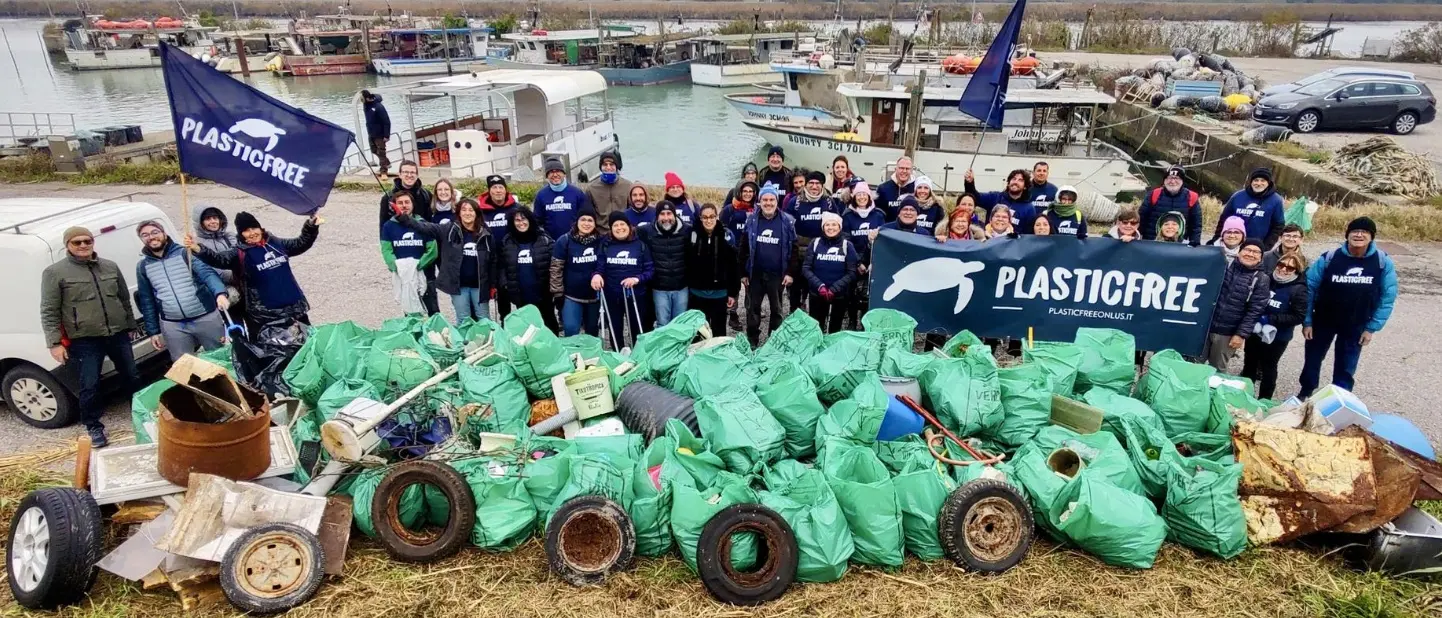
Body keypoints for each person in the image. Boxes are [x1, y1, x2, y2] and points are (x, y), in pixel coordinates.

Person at [41, 226, 140, 446]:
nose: (83, 245)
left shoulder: (110, 266)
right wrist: (54, 342)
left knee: (132, 376)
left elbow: (123, 299)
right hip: (85, 340)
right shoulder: (55, 273)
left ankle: (141, 414)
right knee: (90, 384)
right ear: (67, 245)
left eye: (87, 241)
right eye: (77, 242)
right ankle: (94, 426)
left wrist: (130, 325)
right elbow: (49, 310)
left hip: (117, 334)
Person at [1298, 217, 1397, 397]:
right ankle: (1306, 391)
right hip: (1323, 320)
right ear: (1347, 235)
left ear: (1371, 237)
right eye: (1354, 231)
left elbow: (1387, 296)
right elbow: (1309, 288)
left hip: (1356, 324)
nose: (1359, 235)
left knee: (1346, 365)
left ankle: (1339, 398)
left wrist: (1372, 328)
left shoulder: (1382, 262)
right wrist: (1307, 320)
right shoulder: (1330, 258)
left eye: (1364, 232)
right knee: (1312, 359)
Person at [187, 211, 320, 331]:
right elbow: (218, 259)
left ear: (260, 228)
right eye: (246, 230)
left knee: (308, 344)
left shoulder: (275, 243)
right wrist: (197, 248)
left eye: (254, 228)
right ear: (241, 234)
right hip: (266, 315)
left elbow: (300, 243)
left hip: (295, 306)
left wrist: (311, 226)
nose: (252, 233)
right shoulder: (239, 253)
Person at [134, 221, 229, 361]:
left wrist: (220, 293)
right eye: (145, 235)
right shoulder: (142, 266)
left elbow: (207, 274)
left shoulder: (186, 253)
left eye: (155, 232)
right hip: (174, 326)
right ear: (141, 239)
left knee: (222, 358)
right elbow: (146, 300)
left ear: (164, 234)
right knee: (184, 366)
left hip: (205, 317)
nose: (151, 237)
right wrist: (153, 331)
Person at [396, 198, 495, 325]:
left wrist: (492, 284)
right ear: (459, 213)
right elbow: (425, 227)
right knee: (463, 319)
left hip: (480, 286)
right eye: (464, 210)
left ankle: (487, 343)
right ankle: (464, 344)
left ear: (476, 213)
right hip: (458, 286)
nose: (467, 213)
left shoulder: (486, 234)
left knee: (484, 319)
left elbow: (493, 261)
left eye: (471, 210)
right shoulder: (448, 229)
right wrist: (404, 218)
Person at [738, 184, 798, 347]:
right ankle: (752, 341)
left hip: (777, 274)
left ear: (776, 201)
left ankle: (773, 342)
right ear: (759, 201)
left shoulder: (787, 221)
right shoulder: (751, 220)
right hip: (755, 273)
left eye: (772, 199)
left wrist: (790, 273)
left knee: (777, 309)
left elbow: (794, 248)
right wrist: (743, 273)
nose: (768, 203)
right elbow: (743, 247)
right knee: (753, 309)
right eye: (765, 199)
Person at [1242, 253, 1308, 399]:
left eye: (1290, 268)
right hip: (1255, 330)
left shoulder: (1299, 289)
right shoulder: (1266, 279)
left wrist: (1272, 319)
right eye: (1281, 265)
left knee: (1268, 368)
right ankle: (1244, 396)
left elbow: (1298, 316)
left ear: (1297, 271)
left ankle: (1264, 400)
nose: (1283, 269)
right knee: (1249, 364)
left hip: (1276, 336)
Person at [378, 161, 438, 315]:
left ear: (417, 174)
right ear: (400, 174)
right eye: (406, 172)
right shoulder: (388, 198)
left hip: (423, 255)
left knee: (430, 299)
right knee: (409, 303)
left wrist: (428, 257)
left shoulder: (425, 195)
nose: (409, 175)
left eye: (412, 172)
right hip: (402, 258)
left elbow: (431, 225)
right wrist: (392, 262)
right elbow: (383, 230)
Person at [1205, 239, 1269, 372]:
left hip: (1228, 333)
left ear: (1261, 257)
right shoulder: (1223, 267)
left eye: (1256, 252)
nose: (1250, 254)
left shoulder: (1261, 279)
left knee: (1217, 370)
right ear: (1239, 252)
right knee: (1193, 364)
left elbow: (1255, 311)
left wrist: (1241, 335)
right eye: (1247, 250)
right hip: (1205, 327)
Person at [593, 212, 654, 348]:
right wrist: (596, 275)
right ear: (611, 228)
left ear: (629, 226)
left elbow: (650, 271)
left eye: (622, 224)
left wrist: (637, 279)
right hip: (612, 296)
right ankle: (618, 355)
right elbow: (600, 267)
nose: (619, 228)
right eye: (615, 225)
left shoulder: (640, 245)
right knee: (615, 329)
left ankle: (637, 355)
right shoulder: (606, 245)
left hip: (635, 295)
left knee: (636, 328)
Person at [787, 170, 841, 314]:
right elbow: (787, 226)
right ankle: (794, 312)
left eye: (817, 183)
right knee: (796, 284)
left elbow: (836, 226)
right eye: (811, 183)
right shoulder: (795, 202)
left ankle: (814, 315)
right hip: (799, 248)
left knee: (814, 284)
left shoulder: (829, 202)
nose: (814, 186)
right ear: (806, 184)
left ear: (822, 185)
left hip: (820, 248)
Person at [686, 204, 741, 336]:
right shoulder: (692, 236)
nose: (708, 220)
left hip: (719, 294)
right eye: (705, 217)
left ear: (716, 217)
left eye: (711, 216)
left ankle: (717, 355)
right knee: (699, 333)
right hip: (697, 293)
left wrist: (733, 293)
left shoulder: (726, 236)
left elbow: (734, 267)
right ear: (700, 218)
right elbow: (686, 263)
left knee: (718, 331)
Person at [501, 207, 558, 333]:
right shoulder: (507, 241)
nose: (521, 223)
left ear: (530, 220)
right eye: (517, 220)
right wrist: (505, 284)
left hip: (543, 293)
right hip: (520, 294)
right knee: (528, 328)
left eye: (524, 219)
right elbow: (502, 266)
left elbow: (555, 264)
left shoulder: (544, 239)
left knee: (548, 323)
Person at [802, 212, 859, 334]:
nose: (831, 228)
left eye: (834, 225)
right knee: (816, 327)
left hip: (839, 295)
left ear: (840, 227)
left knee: (835, 327)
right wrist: (820, 286)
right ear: (823, 227)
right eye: (827, 225)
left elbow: (852, 272)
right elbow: (806, 268)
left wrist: (835, 288)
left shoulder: (847, 246)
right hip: (817, 293)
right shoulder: (815, 243)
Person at [551, 209, 604, 337]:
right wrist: (558, 293)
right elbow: (556, 269)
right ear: (576, 222)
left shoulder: (602, 241)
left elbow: (605, 265)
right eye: (583, 220)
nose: (586, 223)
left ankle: (591, 355)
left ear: (595, 223)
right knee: (571, 329)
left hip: (594, 297)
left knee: (592, 331)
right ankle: (571, 355)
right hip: (571, 296)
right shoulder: (564, 241)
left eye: (590, 220)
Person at [843, 183, 885, 328]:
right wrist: (858, 262)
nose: (861, 197)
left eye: (864, 194)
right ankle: (852, 320)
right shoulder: (847, 215)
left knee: (869, 293)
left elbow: (882, 239)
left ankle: (866, 322)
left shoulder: (879, 214)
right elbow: (846, 240)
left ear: (869, 196)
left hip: (873, 259)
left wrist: (870, 262)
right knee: (852, 292)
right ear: (854, 196)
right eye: (858, 194)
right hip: (853, 259)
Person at [1212, 168, 1286, 249]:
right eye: (1256, 180)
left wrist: (1266, 246)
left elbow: (1278, 226)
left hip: (1256, 246)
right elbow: (1224, 219)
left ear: (1268, 182)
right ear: (1251, 181)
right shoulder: (1237, 196)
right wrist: (1216, 239)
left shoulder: (1276, 200)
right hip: (1232, 243)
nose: (1259, 183)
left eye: (1263, 180)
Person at [719, 180, 758, 333]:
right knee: (733, 286)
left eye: (751, 192)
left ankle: (751, 311)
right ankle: (732, 314)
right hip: (732, 253)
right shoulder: (729, 209)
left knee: (750, 285)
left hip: (749, 254)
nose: (748, 194)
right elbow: (721, 229)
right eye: (745, 191)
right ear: (739, 192)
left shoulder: (756, 209)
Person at [643, 201, 690, 327]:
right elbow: (627, 233)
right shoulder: (647, 231)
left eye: (669, 213)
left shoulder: (688, 230)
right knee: (662, 324)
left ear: (675, 215)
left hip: (681, 287)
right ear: (657, 216)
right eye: (662, 214)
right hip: (660, 288)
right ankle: (663, 347)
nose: (666, 218)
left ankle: (679, 347)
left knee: (680, 324)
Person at [1139, 165, 1202, 247]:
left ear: (1182, 180)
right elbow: (1142, 218)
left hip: (1178, 245)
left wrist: (1195, 241)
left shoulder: (1192, 197)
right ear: (1164, 180)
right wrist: (1137, 237)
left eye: (1176, 178)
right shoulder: (1154, 194)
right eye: (1169, 178)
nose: (1172, 181)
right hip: (1151, 243)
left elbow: (1196, 224)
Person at [193, 206, 240, 312]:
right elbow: (206, 270)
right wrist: (235, 276)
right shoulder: (196, 244)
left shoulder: (229, 236)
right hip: (217, 290)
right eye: (208, 219)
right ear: (200, 223)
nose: (213, 221)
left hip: (239, 282)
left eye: (215, 218)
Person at [534, 157, 589, 241]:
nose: (555, 175)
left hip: (574, 241)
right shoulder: (541, 195)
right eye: (551, 172)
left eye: (558, 171)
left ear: (564, 174)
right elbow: (537, 221)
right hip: (551, 243)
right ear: (547, 176)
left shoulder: (577, 193)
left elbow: (585, 217)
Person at [966, 168, 1037, 232]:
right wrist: (969, 183)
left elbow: (1028, 234)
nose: (1015, 182)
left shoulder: (1029, 208)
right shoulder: (995, 197)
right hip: (990, 242)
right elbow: (975, 198)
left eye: (1020, 180)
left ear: (1025, 186)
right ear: (1008, 183)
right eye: (1013, 179)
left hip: (1014, 245)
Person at [584, 151, 630, 217]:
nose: (608, 168)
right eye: (605, 165)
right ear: (601, 167)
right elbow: (588, 213)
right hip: (600, 227)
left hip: (621, 226)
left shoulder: (628, 186)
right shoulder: (591, 189)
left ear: (616, 167)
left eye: (611, 164)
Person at [876, 156, 916, 221]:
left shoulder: (917, 188)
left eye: (907, 168)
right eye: (901, 168)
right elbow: (878, 214)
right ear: (895, 169)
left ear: (911, 171)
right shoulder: (883, 189)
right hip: (889, 229)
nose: (904, 171)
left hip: (910, 230)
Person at [362, 90, 391, 178]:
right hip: (371, 133)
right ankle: (387, 162)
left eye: (362, 98)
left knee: (381, 152)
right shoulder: (366, 105)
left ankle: (383, 171)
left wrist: (386, 135)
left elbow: (386, 121)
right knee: (374, 150)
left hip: (380, 134)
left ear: (367, 98)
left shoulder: (379, 107)